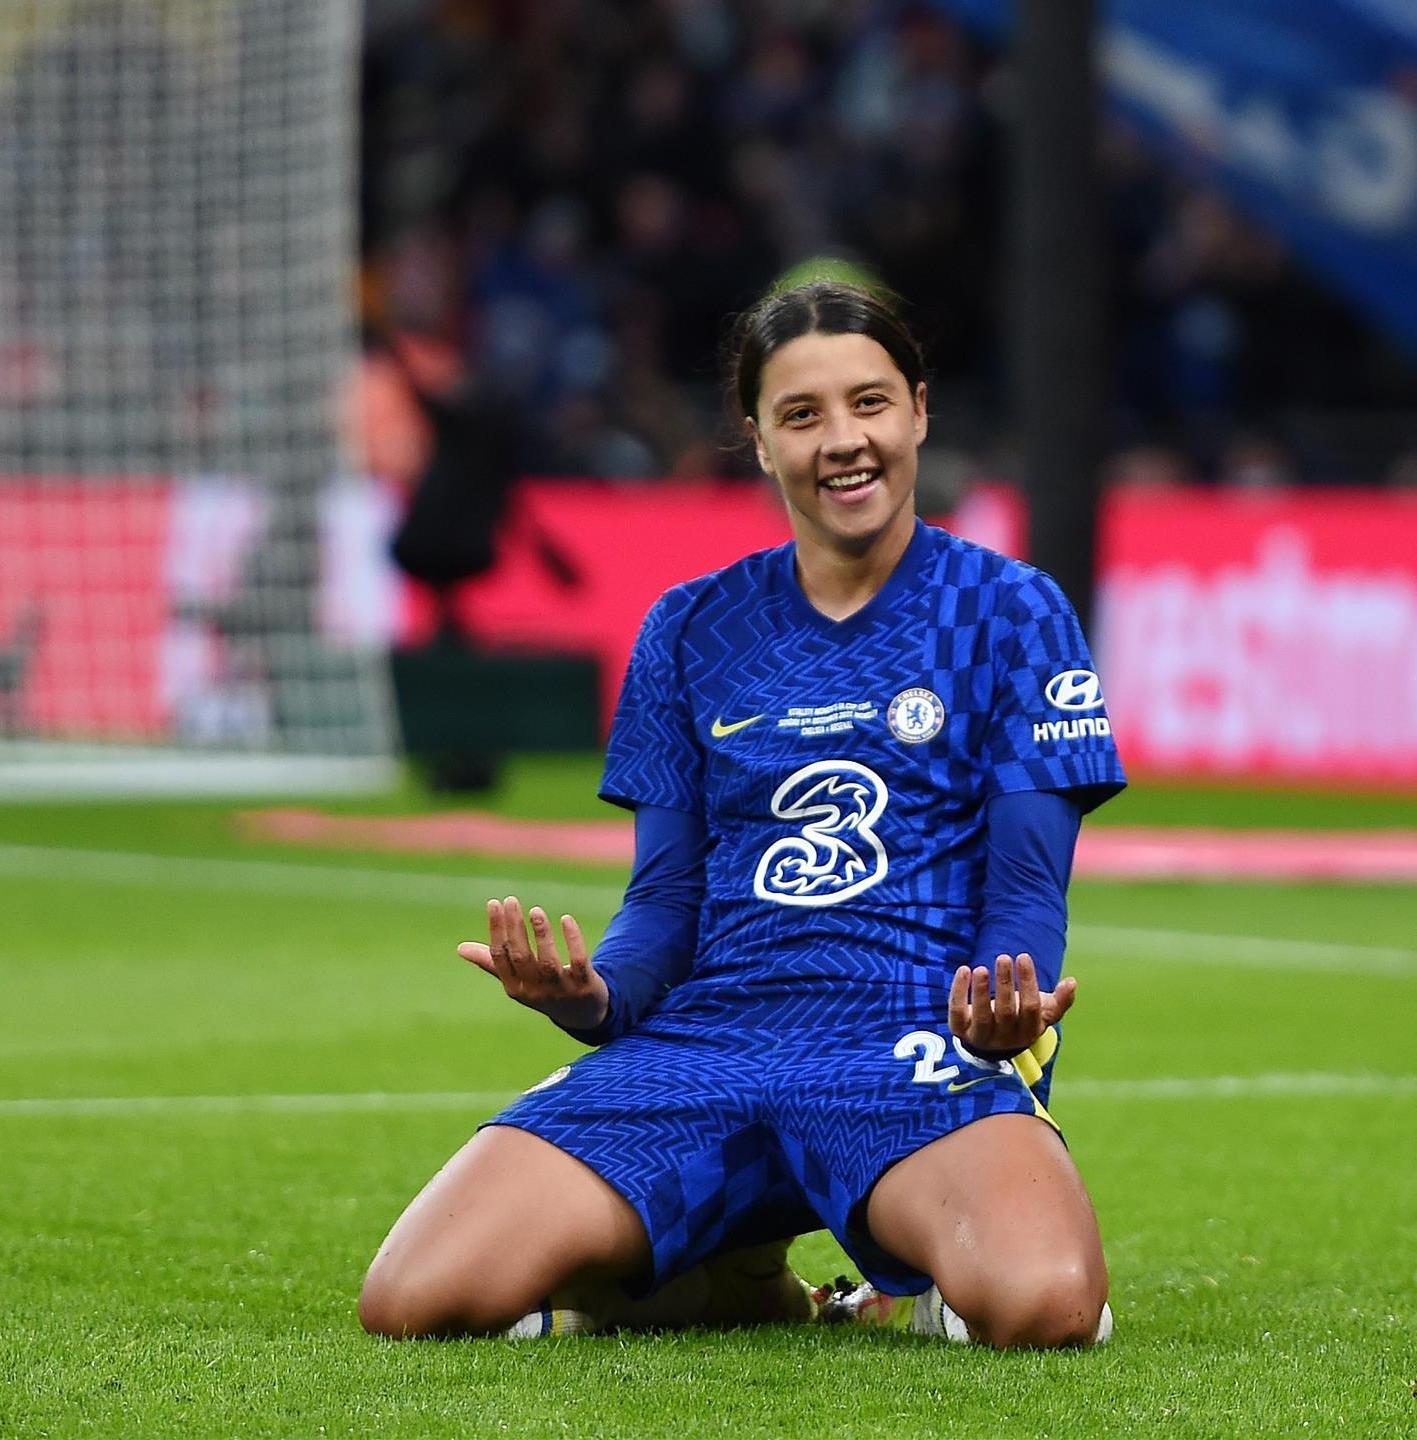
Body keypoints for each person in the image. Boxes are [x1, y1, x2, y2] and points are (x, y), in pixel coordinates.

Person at [357, 280, 1125, 1348]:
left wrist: (1006, 1013)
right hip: (706, 1042)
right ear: (759, 441)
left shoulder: (1012, 610)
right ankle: (738, 1277)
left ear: (916, 410)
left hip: (907, 1035)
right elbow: (663, 900)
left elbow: (1029, 886)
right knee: (415, 1303)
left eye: (868, 403)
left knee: (1043, 1306)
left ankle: (902, 1264)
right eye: (801, 415)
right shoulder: (686, 627)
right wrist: (589, 1000)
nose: (842, 440)